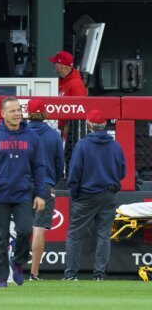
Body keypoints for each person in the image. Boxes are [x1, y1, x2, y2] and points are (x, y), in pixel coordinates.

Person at [0, 96, 46, 288]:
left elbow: (39, 167)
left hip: (22, 194)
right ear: (3, 114)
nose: (17, 114)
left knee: (25, 230)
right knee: (0, 237)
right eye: (13, 111)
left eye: (19, 110)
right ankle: (2, 277)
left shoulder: (32, 137)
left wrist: (40, 194)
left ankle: (18, 264)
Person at [64, 109, 125, 281]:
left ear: (89, 125)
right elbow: (122, 171)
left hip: (85, 195)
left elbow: (74, 172)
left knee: (75, 234)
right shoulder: (115, 145)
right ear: (104, 125)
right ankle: (99, 275)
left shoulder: (82, 144)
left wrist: (74, 193)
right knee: (104, 235)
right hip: (109, 194)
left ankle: (71, 274)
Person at [27, 98, 65, 281]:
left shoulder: (20, 132)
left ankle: (14, 270)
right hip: (45, 184)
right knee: (39, 228)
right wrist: (52, 182)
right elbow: (60, 164)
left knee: (17, 228)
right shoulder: (53, 134)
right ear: (44, 114)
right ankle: (34, 273)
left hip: (22, 185)